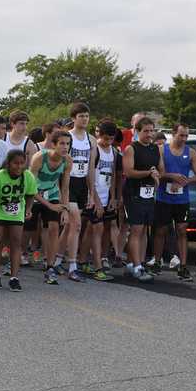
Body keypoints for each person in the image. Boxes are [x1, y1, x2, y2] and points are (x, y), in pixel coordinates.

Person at [153, 123, 196, 281]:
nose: (184, 139)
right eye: (181, 135)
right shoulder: (162, 150)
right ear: (173, 134)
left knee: (182, 230)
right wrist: (172, 176)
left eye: (186, 135)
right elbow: (158, 174)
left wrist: (185, 181)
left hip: (182, 200)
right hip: (163, 198)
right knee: (161, 230)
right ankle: (157, 262)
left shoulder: (191, 152)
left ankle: (183, 266)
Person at [0, 150, 37, 291]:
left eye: (22, 163)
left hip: (16, 213)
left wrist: (28, 209)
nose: (19, 166)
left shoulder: (28, 177)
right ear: (8, 164)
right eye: (15, 163)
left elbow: (31, 194)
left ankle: (14, 278)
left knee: (16, 242)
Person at [27, 131, 71, 285]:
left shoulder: (67, 161)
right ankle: (13, 258)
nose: (65, 147)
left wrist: (65, 209)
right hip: (33, 194)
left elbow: (65, 188)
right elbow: (31, 187)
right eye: (62, 143)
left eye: (68, 144)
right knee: (27, 230)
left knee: (54, 227)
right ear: (53, 145)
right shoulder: (40, 157)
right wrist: (49, 205)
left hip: (51, 193)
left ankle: (50, 266)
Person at [122, 116, 160, 283]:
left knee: (144, 229)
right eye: (146, 131)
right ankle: (137, 266)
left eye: (152, 131)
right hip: (134, 192)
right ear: (137, 131)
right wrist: (148, 173)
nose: (149, 134)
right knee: (136, 230)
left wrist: (158, 174)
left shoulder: (155, 149)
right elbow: (129, 172)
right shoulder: (131, 148)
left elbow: (161, 169)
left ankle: (135, 263)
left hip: (149, 193)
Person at [65, 102, 97, 283]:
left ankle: (56, 259)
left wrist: (92, 193)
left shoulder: (91, 140)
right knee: (76, 224)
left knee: (71, 226)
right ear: (73, 119)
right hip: (68, 182)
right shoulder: (67, 137)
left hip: (82, 184)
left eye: (86, 116)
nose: (84, 119)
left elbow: (91, 167)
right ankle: (72, 266)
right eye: (81, 116)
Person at [83, 120, 118, 282]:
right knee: (97, 228)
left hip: (106, 195)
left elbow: (113, 175)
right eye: (105, 139)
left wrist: (112, 197)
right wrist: (95, 199)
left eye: (111, 139)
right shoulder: (94, 150)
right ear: (99, 135)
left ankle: (82, 260)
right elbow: (90, 175)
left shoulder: (114, 151)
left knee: (92, 230)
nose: (108, 142)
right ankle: (98, 267)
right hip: (94, 195)